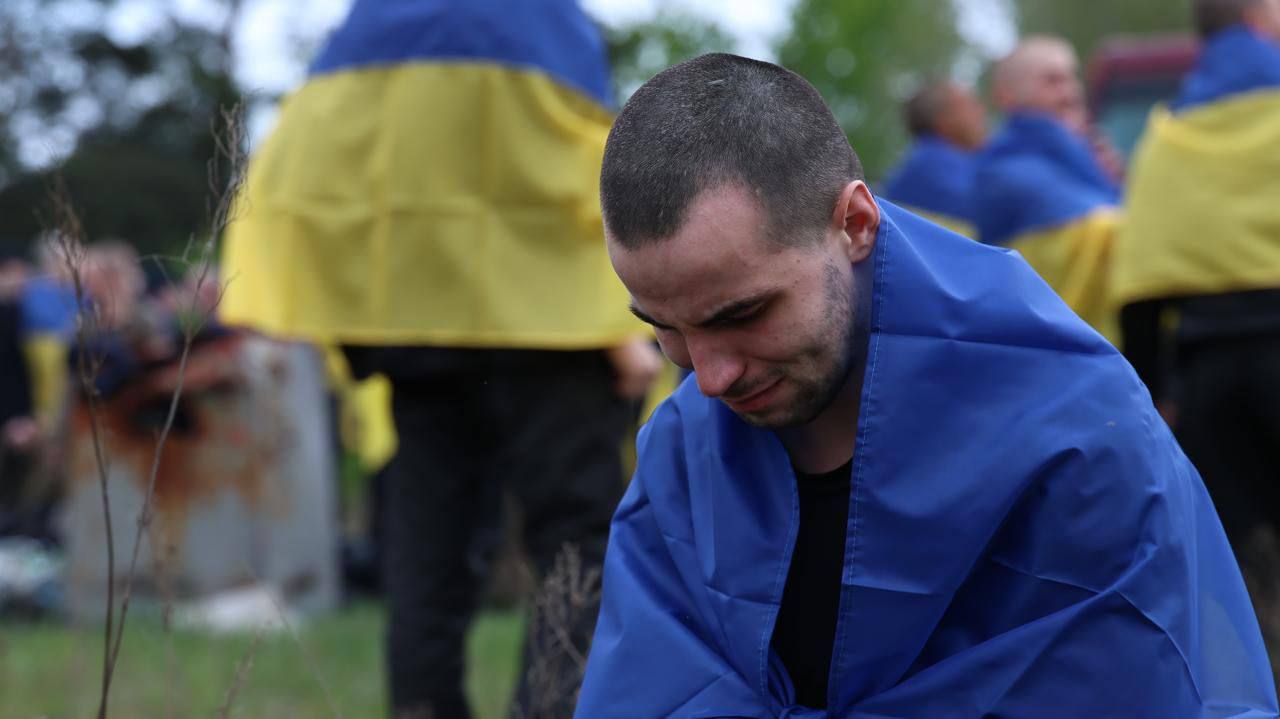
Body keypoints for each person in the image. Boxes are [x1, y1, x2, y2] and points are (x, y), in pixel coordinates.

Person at [575, 52, 1276, 717]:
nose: (709, 377)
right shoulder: (683, 453)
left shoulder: (1075, 433)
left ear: (855, 224)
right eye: (664, 327)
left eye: (743, 314)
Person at [218, 1, 660, 716]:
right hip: (553, 335)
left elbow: (311, 160)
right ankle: (553, 709)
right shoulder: (545, 21)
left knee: (428, 558)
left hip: (418, 332)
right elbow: (586, 174)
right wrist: (622, 325)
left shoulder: (376, 21)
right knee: (573, 545)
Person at [1114, 0, 1280, 673]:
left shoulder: (1169, 134)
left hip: (1207, 377)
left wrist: (1153, 391)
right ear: (1259, 15)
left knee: (1240, 560)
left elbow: (1140, 285)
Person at [973, 36, 1122, 341]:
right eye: (1052, 81)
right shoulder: (1005, 175)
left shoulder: (1081, 157)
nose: (1070, 93)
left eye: (1072, 78)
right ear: (1006, 95)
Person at [880, 80, 986, 237]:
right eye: (969, 106)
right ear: (944, 119)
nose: (981, 112)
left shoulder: (918, 163)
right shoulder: (936, 167)